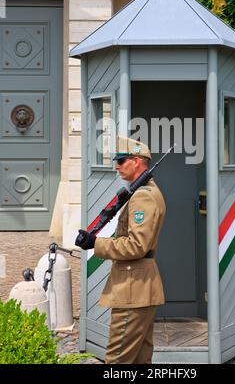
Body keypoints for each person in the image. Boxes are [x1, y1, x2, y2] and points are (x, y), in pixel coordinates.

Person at [75, 136, 166, 364]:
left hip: (132, 289)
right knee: (140, 360)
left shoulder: (144, 197)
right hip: (138, 287)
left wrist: (95, 243)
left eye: (122, 160)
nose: (117, 166)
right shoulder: (144, 192)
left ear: (137, 161)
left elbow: (136, 245)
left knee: (117, 360)